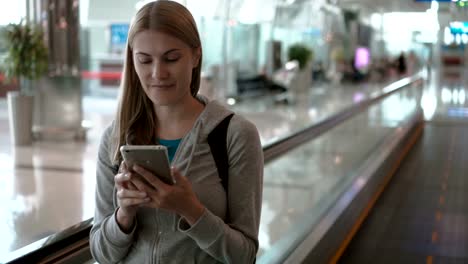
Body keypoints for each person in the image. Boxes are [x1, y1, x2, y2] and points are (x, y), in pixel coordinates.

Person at [89, 1, 264, 263]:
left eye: (171, 58)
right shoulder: (116, 138)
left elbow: (244, 255)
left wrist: (191, 210)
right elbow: (102, 253)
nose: (158, 73)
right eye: (145, 60)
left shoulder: (235, 135)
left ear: (195, 55)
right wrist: (124, 215)